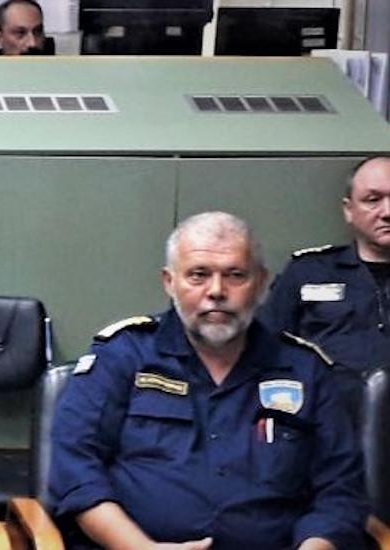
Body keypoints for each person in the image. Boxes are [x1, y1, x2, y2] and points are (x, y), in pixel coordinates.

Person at [49, 211, 368, 549]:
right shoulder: (123, 355)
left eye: (235, 275)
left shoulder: (305, 369)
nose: (216, 291)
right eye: (198, 275)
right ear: (169, 282)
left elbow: (340, 490)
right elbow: (75, 468)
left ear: (260, 283)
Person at [260, 156, 390, 374]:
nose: (387, 212)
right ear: (349, 210)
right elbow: (263, 348)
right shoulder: (308, 272)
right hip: (324, 394)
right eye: (373, 200)